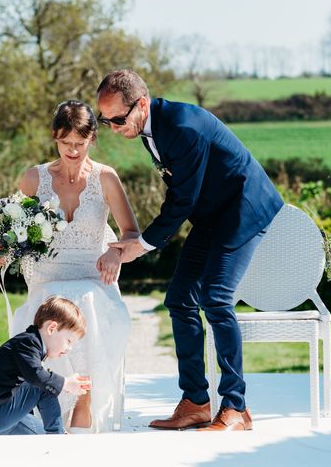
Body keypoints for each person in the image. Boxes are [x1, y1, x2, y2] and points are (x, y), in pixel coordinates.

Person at [96, 69, 283, 432]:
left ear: (142, 104)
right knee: (180, 298)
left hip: (243, 209)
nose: (115, 128)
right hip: (212, 215)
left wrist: (142, 245)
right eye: (107, 122)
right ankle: (196, 401)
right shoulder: (151, 126)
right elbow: (184, 193)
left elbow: (182, 199)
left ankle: (236, 408)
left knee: (215, 298)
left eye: (119, 119)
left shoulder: (183, 127)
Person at [11, 100, 139, 432]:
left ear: (92, 140)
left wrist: (114, 254)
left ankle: (85, 401)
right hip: (47, 276)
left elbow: (132, 232)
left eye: (80, 144)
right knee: (50, 304)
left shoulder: (105, 178)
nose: (72, 150)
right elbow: (14, 233)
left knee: (87, 301)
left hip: (93, 275)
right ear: (55, 138)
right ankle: (52, 405)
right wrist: (6, 245)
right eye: (66, 143)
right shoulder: (32, 179)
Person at [0, 296, 89, 435]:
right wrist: (65, 383)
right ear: (52, 328)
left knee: (40, 433)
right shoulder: (27, 343)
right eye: (69, 341)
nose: (69, 348)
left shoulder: (32, 344)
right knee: (43, 386)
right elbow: (37, 378)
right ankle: (57, 435)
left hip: (5, 414)